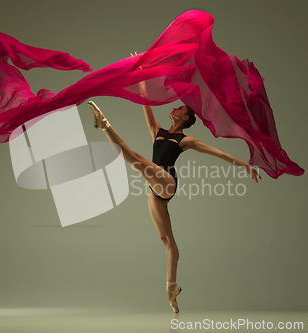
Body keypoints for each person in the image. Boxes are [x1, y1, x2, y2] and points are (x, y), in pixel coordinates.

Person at [87, 84, 260, 313]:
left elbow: (217, 152)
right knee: (167, 241)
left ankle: (104, 123)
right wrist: (142, 83)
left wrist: (244, 165)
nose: (174, 107)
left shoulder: (185, 140)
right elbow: (145, 104)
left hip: (167, 182)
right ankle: (172, 288)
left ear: (185, 116)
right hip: (155, 191)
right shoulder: (157, 130)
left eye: (179, 107)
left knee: (135, 158)